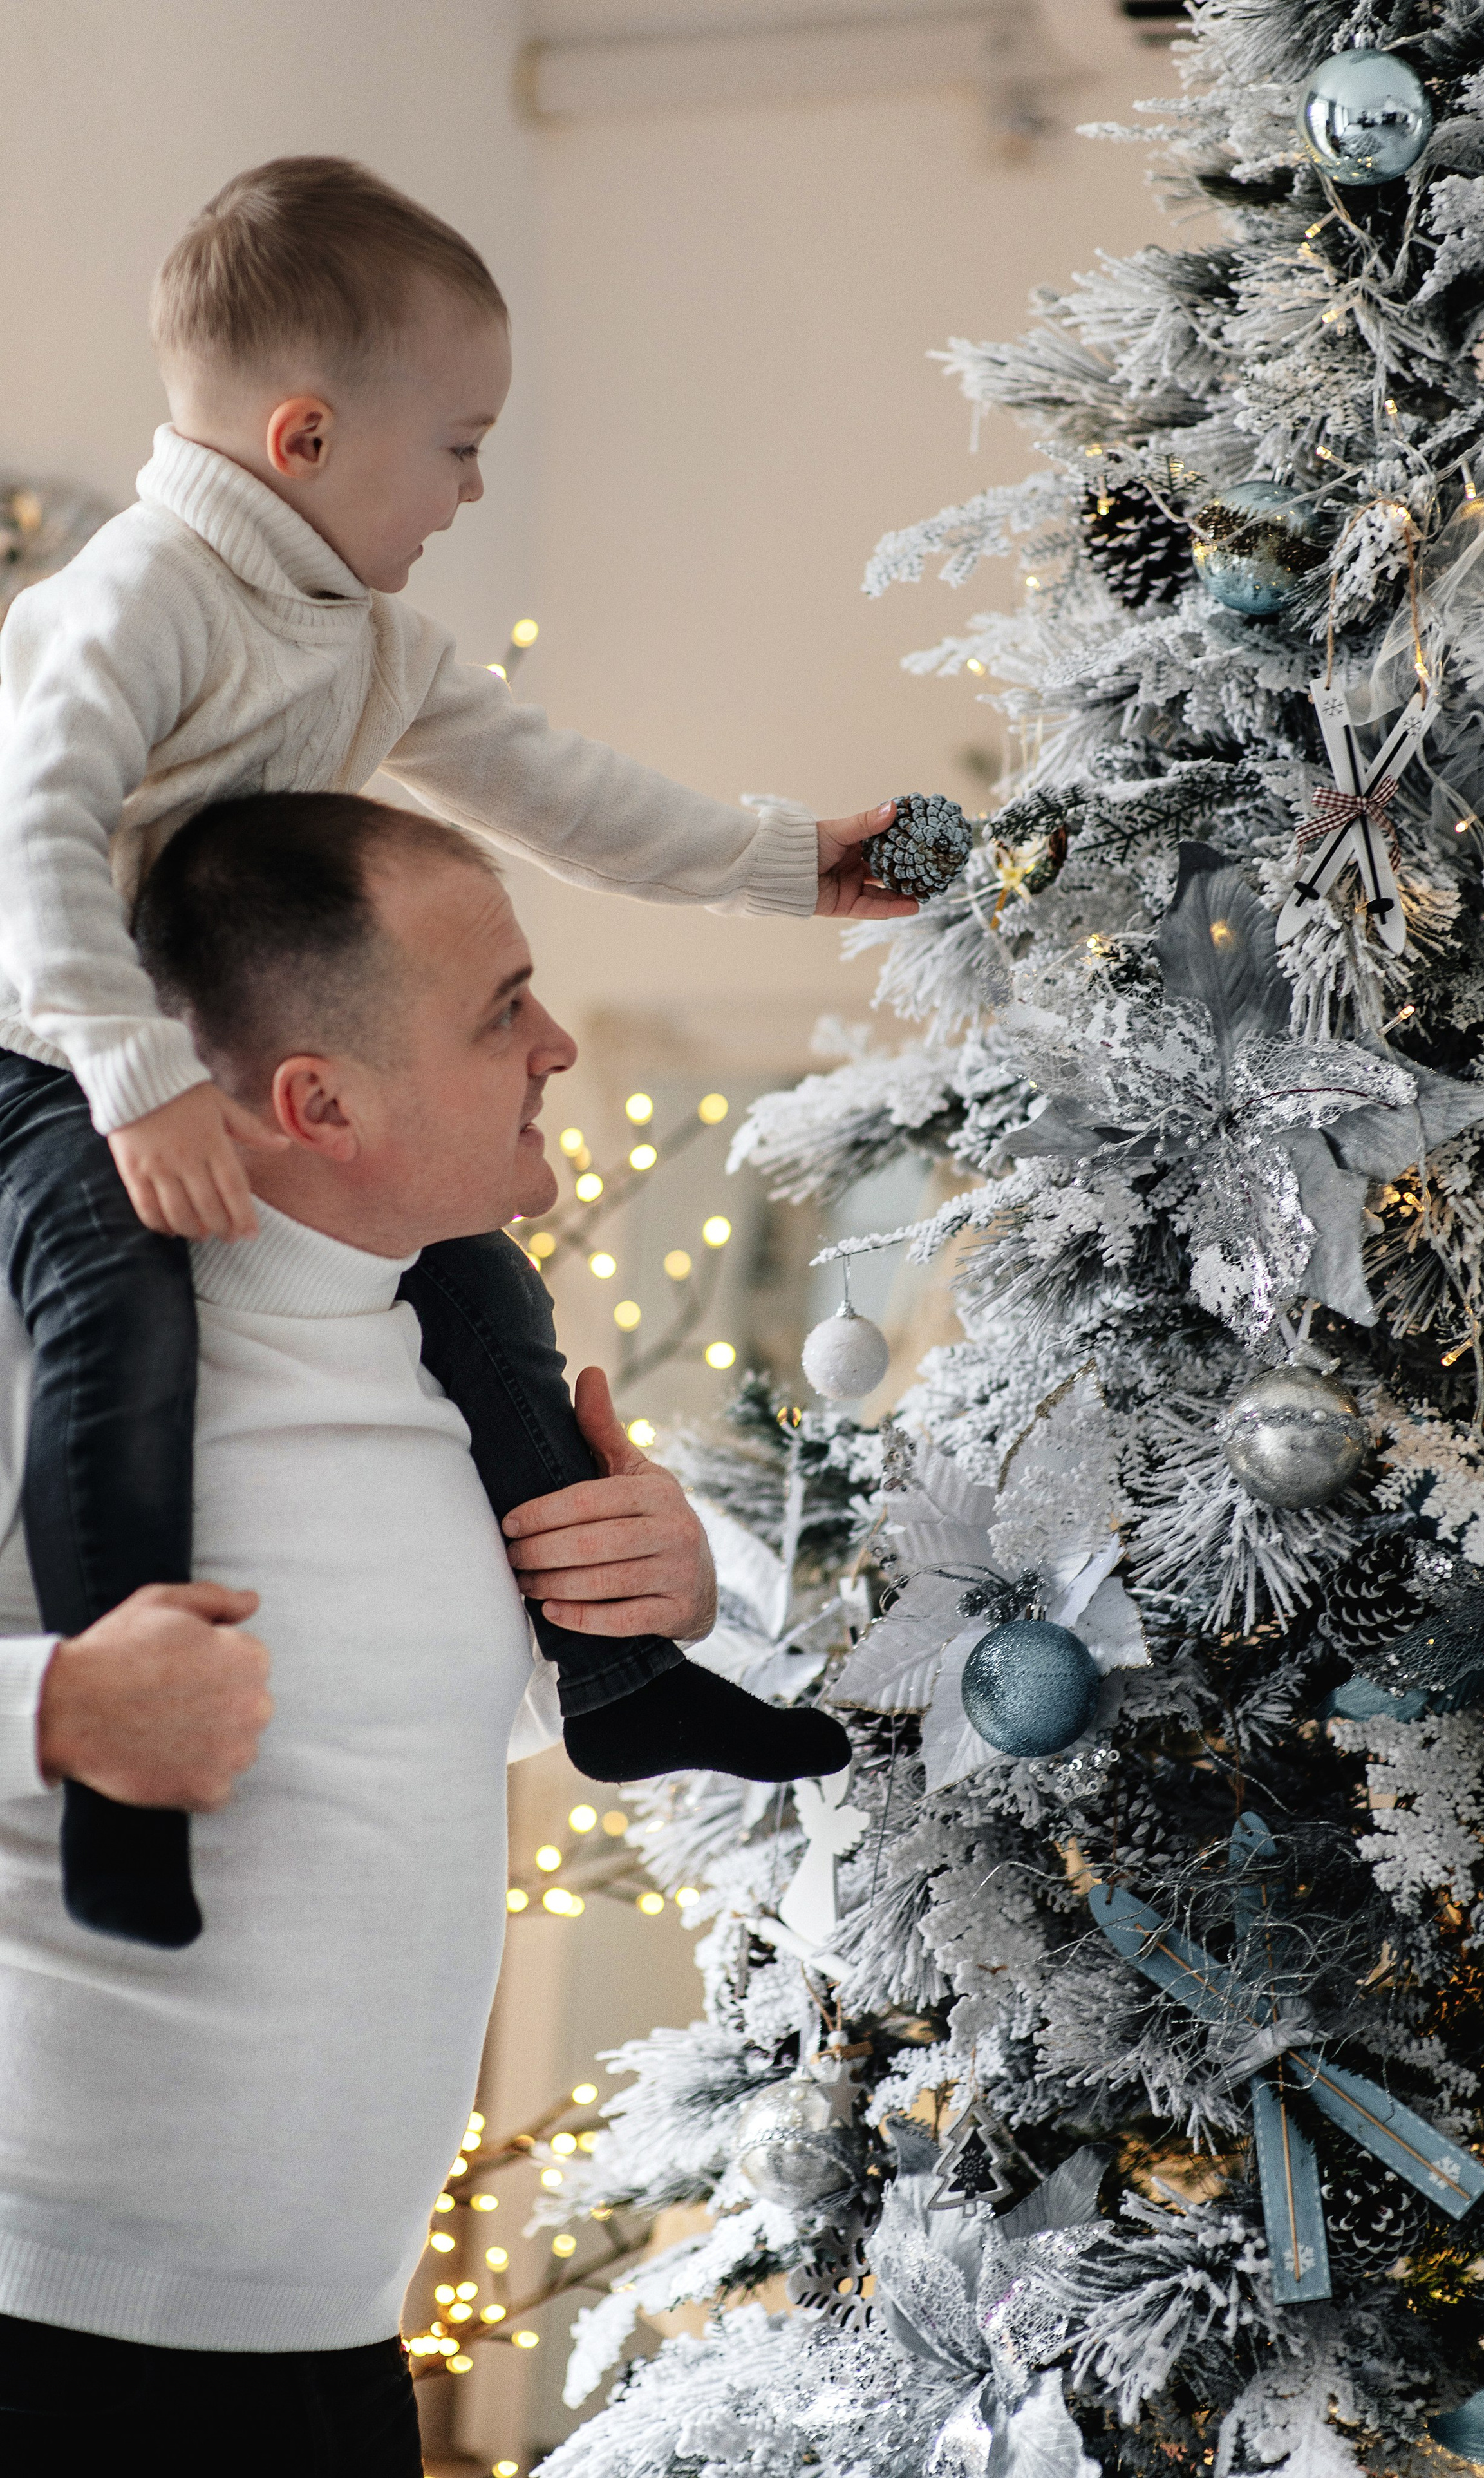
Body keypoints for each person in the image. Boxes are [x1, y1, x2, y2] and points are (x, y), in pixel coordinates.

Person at [0, 156, 899, 1949]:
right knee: (119, 1315)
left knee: (489, 1295)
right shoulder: (141, 596)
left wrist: (793, 863)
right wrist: (130, 1073)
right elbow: (38, 830)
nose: (476, 491)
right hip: (45, 1050)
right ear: (308, 437)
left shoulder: (369, 644)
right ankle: (126, 1760)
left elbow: (568, 797)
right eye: (462, 447)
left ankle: (621, 1683)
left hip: (185, 1064)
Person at [0, 789, 843, 2476]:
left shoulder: (447, 1368)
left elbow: (382, 1724)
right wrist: (56, 1708)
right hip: (43, 2344)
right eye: (500, 1009)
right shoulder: (41, 1337)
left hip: (329, 2357)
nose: (558, 1043)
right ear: (319, 1102)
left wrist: (647, 1598)